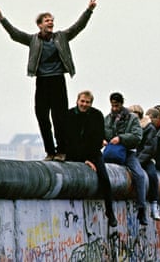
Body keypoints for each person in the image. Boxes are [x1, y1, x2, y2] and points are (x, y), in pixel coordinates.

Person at [0, 0, 98, 161]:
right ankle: (50, 151)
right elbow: (15, 34)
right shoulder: (33, 40)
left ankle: (61, 150)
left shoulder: (61, 37)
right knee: (42, 116)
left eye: (52, 20)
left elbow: (78, 27)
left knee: (59, 117)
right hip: (42, 81)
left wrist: (89, 10)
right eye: (47, 20)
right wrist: (1, 18)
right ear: (40, 24)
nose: (50, 23)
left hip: (57, 80)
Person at [65, 90, 117, 227]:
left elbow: (97, 139)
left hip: (93, 152)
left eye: (87, 102)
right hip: (73, 153)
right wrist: (83, 160)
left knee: (105, 179)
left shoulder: (96, 115)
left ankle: (110, 212)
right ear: (77, 101)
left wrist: (90, 158)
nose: (84, 104)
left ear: (91, 103)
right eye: (82, 101)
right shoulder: (69, 115)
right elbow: (69, 140)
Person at [104, 92, 148, 225]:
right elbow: (103, 133)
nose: (115, 108)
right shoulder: (107, 118)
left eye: (117, 105)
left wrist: (122, 139)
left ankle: (141, 209)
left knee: (139, 176)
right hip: (111, 151)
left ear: (121, 104)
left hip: (128, 153)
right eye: (113, 105)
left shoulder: (132, 118)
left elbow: (137, 136)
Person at [128, 105, 160, 222]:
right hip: (130, 156)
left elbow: (149, 148)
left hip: (145, 159)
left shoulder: (149, 128)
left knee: (152, 176)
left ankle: (153, 204)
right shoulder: (127, 126)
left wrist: (139, 161)